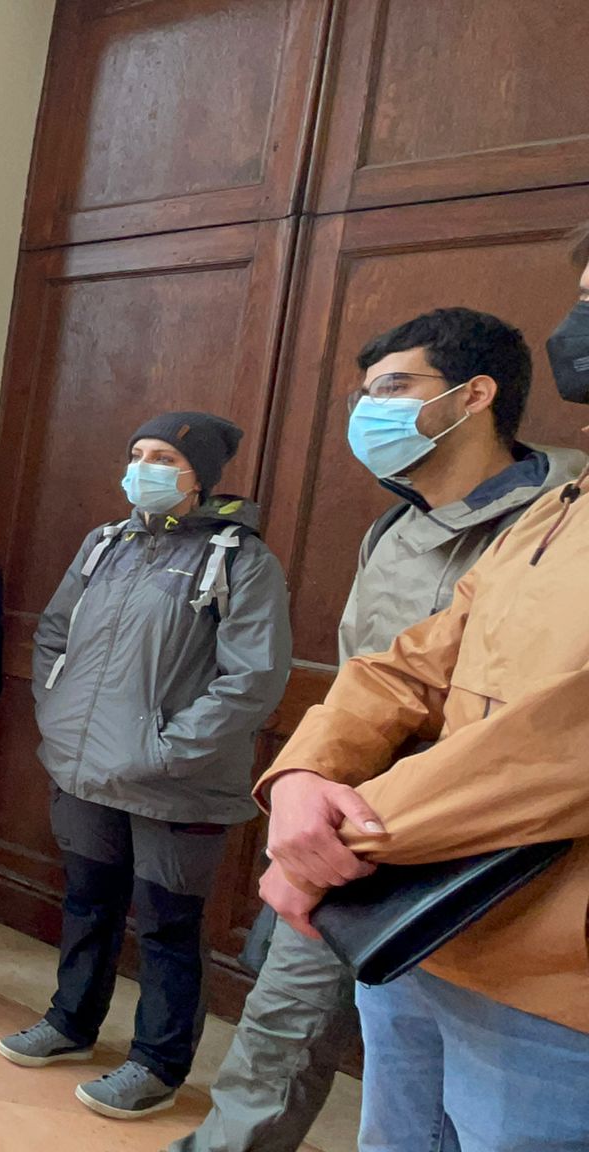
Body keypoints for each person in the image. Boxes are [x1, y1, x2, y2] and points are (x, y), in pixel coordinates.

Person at [175, 307, 584, 1152]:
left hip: (519, 918)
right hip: (373, 853)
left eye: (394, 388)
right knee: (362, 1096)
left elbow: (553, 740)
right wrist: (299, 780)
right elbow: (401, 666)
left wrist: (350, 834)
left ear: (474, 397)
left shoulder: (537, 501)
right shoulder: (541, 516)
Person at [0, 411, 292, 1121]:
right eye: (137, 453)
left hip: (176, 785)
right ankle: (70, 1023)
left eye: (162, 455)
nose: (143, 467)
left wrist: (167, 749)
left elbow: (252, 679)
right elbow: (55, 636)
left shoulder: (239, 559)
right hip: (86, 769)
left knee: (167, 924)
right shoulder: (105, 544)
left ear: (200, 475)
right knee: (89, 901)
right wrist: (58, 715)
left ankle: (157, 1063)